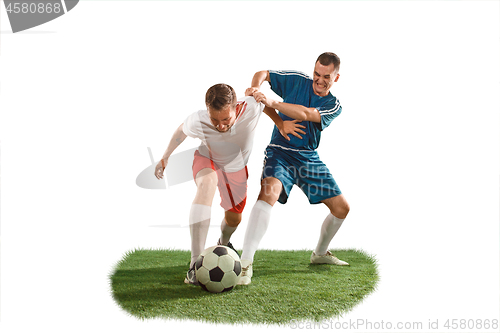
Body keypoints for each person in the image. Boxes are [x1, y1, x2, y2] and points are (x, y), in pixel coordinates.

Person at [154, 83, 303, 285]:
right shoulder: (198, 119)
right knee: (207, 183)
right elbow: (182, 131)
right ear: (208, 110)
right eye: (215, 119)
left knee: (234, 219)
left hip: (236, 168)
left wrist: (279, 122)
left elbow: (264, 104)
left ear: (236, 107)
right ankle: (194, 266)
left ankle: (223, 242)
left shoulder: (250, 106)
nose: (220, 125)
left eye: (226, 119)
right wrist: (165, 157)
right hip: (208, 158)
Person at [239, 52, 350, 285]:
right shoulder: (297, 80)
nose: (319, 81)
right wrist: (258, 94)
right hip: (279, 152)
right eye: (317, 74)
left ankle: (319, 254)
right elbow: (262, 74)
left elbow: (307, 114)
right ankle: (245, 264)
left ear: (336, 78)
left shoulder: (333, 105)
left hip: (308, 158)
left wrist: (272, 102)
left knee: (341, 208)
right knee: (268, 193)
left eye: (326, 77)